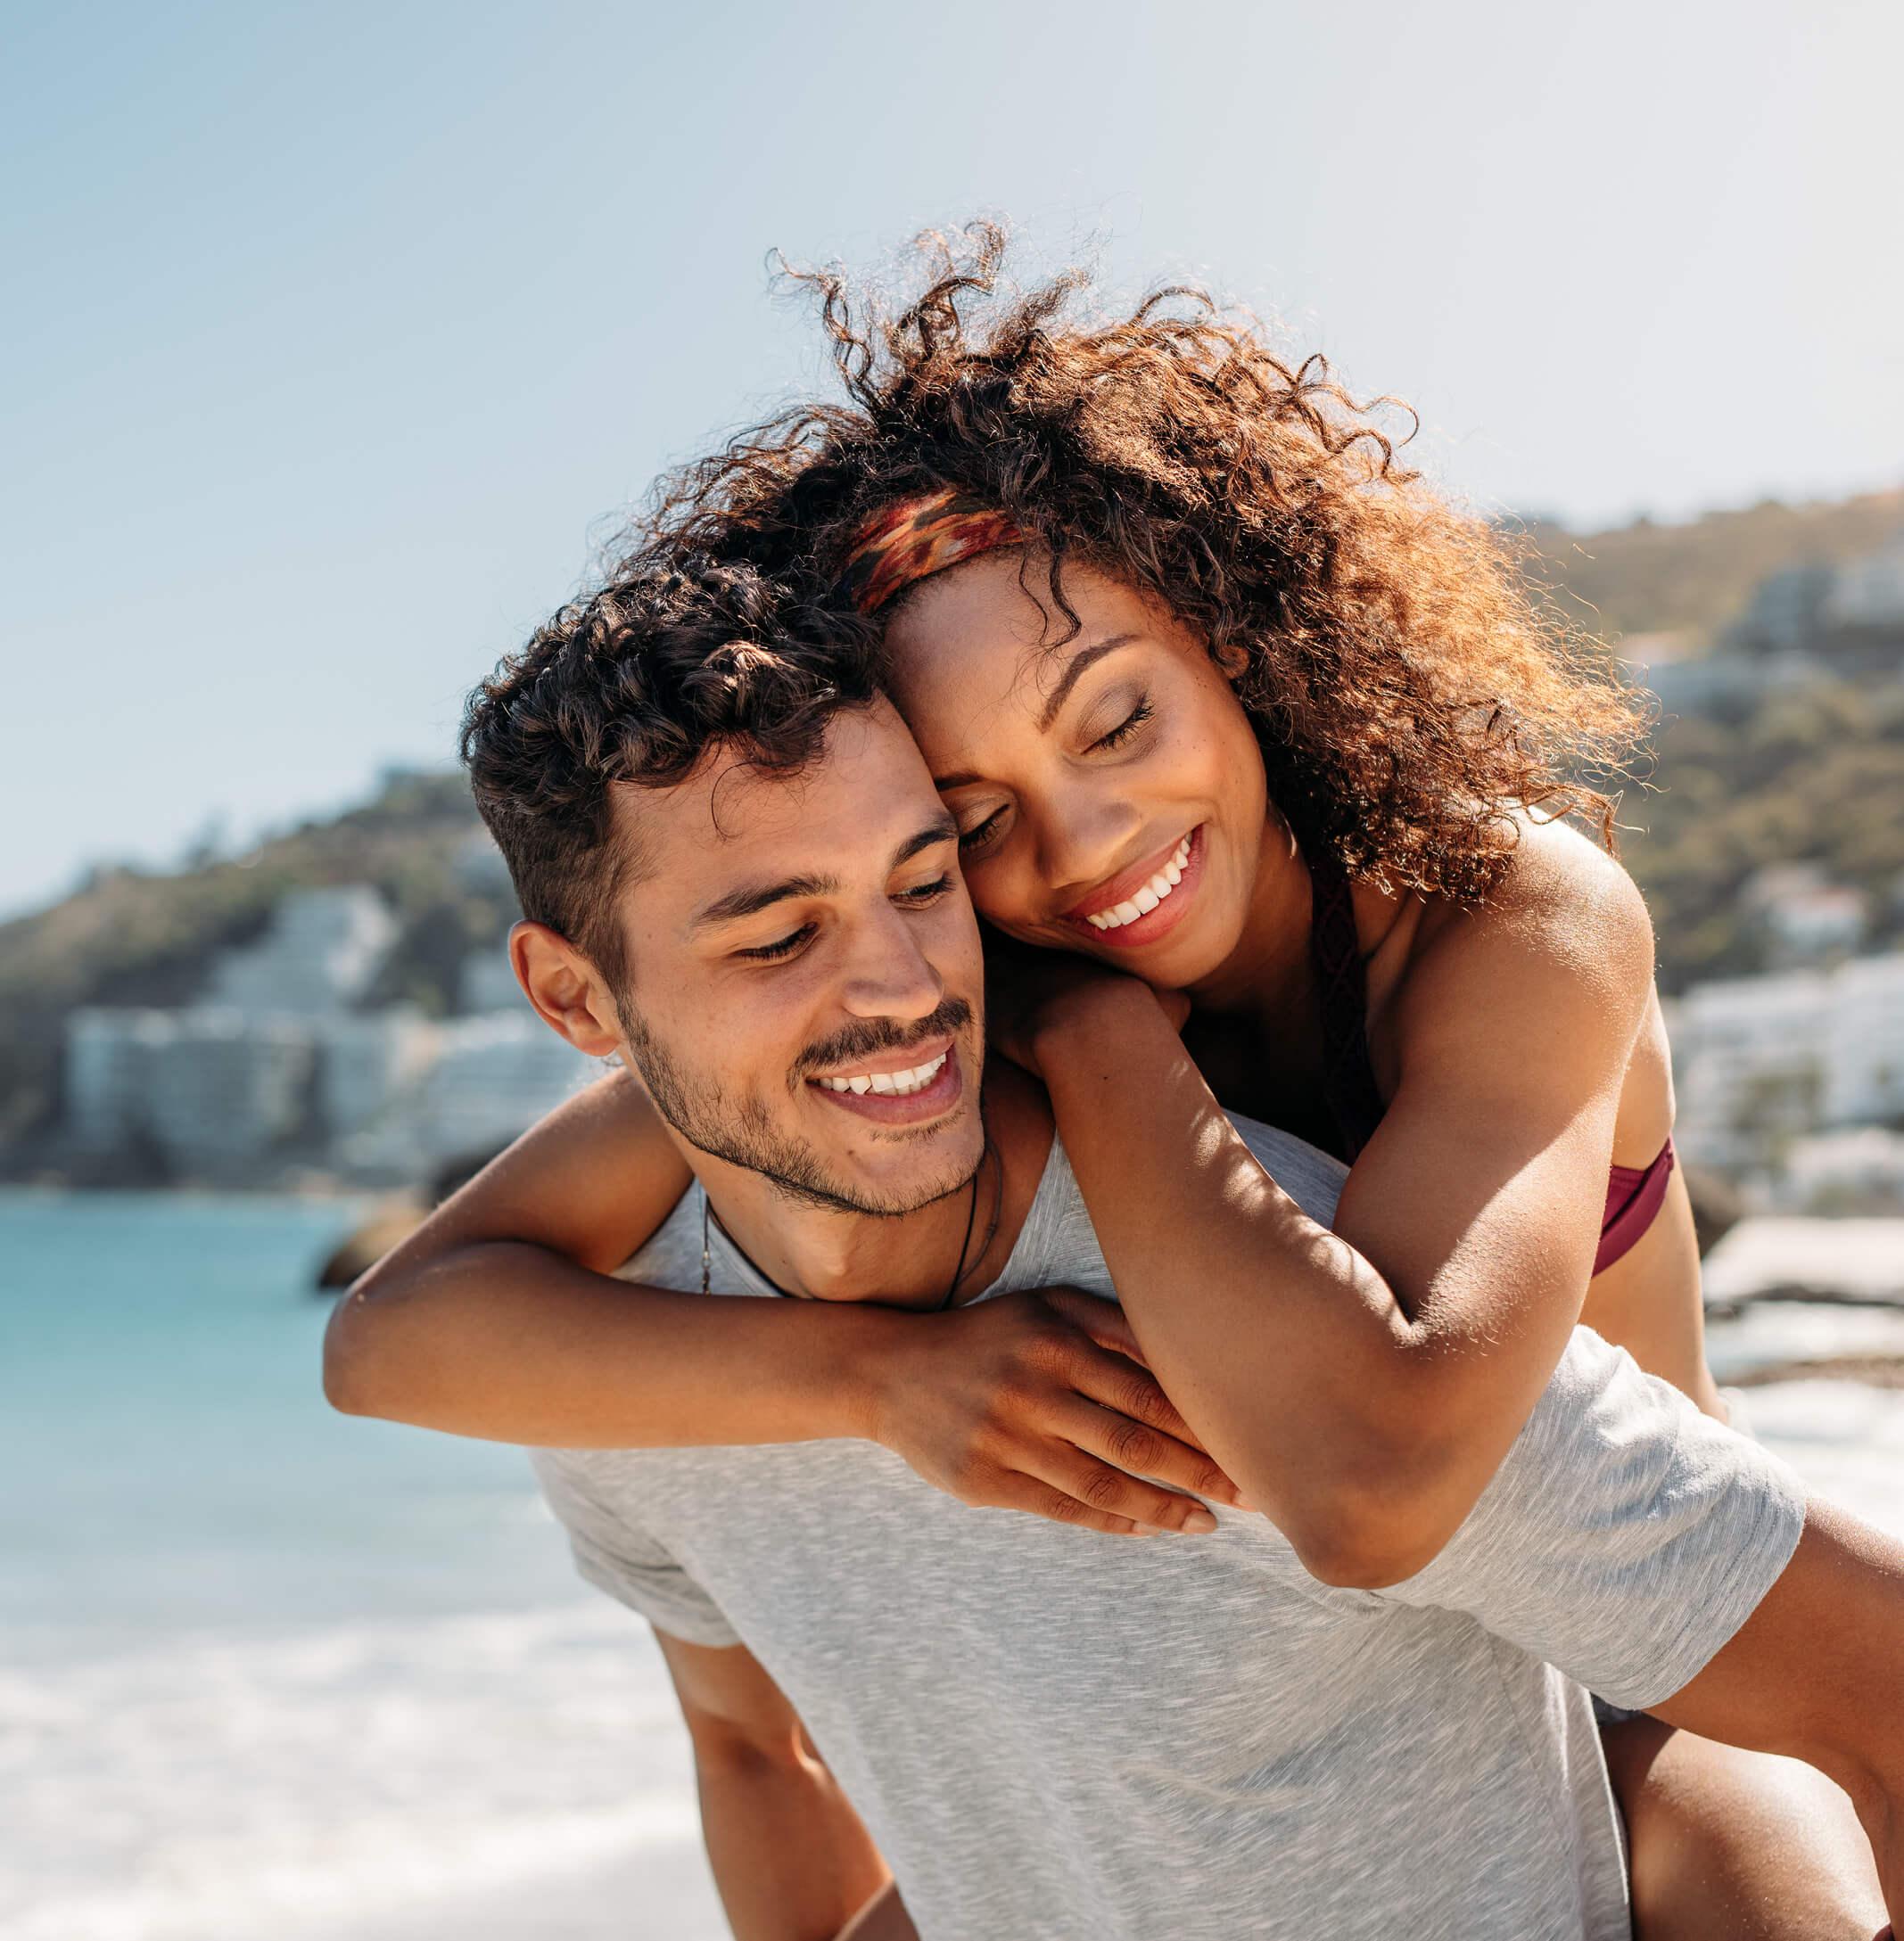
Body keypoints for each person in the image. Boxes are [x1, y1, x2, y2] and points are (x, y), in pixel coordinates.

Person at [331, 232, 1883, 1932]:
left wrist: (1091, 1031)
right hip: (1275, 1704)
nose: (1084, 846)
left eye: (1117, 719)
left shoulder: (1500, 913)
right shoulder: (898, 1005)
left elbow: (1385, 1470)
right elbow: (396, 1335)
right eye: (972, 818)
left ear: (1232, 634)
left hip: (1646, 1677)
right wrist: (879, 1379)